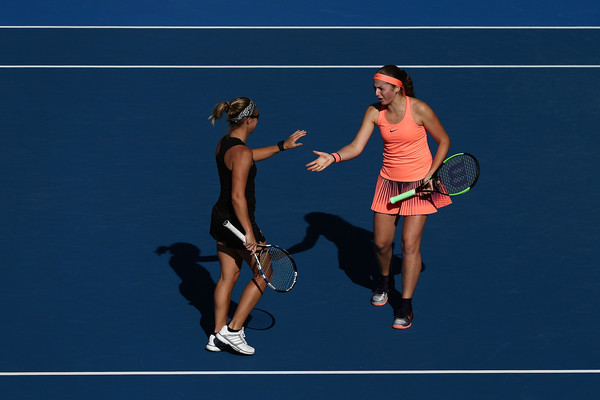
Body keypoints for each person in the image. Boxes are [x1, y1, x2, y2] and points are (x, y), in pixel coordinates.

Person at [306, 65, 451, 329]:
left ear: (397, 88)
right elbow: (356, 146)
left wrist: (431, 175)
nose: (377, 92)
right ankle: (385, 280)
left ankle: (405, 303)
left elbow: (444, 141)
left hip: (420, 183)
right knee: (382, 245)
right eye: (375, 87)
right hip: (388, 184)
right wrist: (334, 156)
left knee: (409, 245)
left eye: (381, 87)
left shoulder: (419, 109)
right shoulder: (374, 112)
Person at [207, 97, 306, 354]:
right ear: (250, 121)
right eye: (258, 117)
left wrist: (282, 146)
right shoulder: (241, 153)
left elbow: (248, 157)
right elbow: (238, 196)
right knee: (265, 273)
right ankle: (233, 330)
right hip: (239, 224)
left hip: (220, 219)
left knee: (228, 276)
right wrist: (249, 232)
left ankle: (216, 334)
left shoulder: (226, 144)